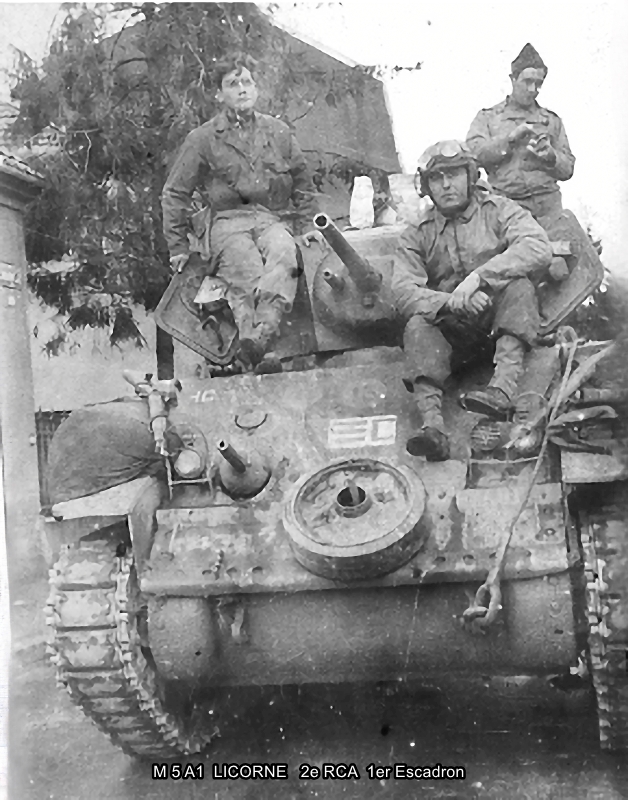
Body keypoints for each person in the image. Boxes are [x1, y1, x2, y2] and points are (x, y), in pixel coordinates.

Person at [391, 140, 552, 462]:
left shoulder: (499, 210)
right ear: (427, 187)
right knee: (418, 324)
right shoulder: (417, 233)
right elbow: (402, 290)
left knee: (519, 287)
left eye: (453, 174)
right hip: (453, 339)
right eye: (436, 178)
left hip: (503, 323)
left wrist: (479, 278)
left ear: (470, 176)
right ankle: (433, 427)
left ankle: (501, 390)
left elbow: (537, 246)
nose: (446, 185)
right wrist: (452, 301)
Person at [161, 55, 320, 372]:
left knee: (284, 253)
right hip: (227, 222)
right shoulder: (203, 139)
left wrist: (306, 225)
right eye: (233, 84)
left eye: (247, 82)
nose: (242, 89)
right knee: (245, 266)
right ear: (219, 94)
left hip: (269, 219)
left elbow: (303, 182)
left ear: (257, 89)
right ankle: (258, 347)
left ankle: (258, 341)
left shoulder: (278, 132)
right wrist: (178, 247)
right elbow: (175, 192)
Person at [466, 44, 574, 228]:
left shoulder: (552, 121)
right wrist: (510, 140)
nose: (533, 89)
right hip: (507, 209)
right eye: (527, 81)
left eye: (538, 84)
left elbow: (568, 169)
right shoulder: (488, 118)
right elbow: (473, 155)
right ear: (513, 79)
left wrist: (551, 157)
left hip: (548, 211)